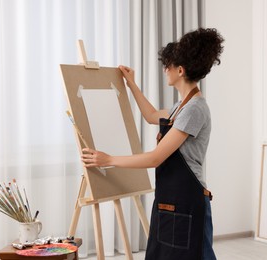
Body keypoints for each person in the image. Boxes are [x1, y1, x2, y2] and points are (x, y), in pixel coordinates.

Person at [81, 28, 224, 260]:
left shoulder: (195, 109)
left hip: (186, 202)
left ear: (180, 70)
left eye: (168, 65)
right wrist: (132, 85)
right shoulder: (181, 107)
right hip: (170, 201)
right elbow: (150, 115)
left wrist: (108, 160)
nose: (165, 70)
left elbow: (156, 157)